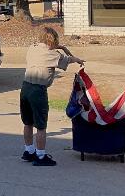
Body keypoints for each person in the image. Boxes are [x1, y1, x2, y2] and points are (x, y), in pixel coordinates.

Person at [20, 27, 83, 166]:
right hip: (38, 90)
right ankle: (41, 156)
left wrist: (60, 46)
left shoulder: (32, 48)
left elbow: (50, 48)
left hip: (25, 88)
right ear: (52, 40)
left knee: (28, 122)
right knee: (41, 125)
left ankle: (28, 151)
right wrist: (78, 59)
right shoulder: (52, 55)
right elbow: (67, 59)